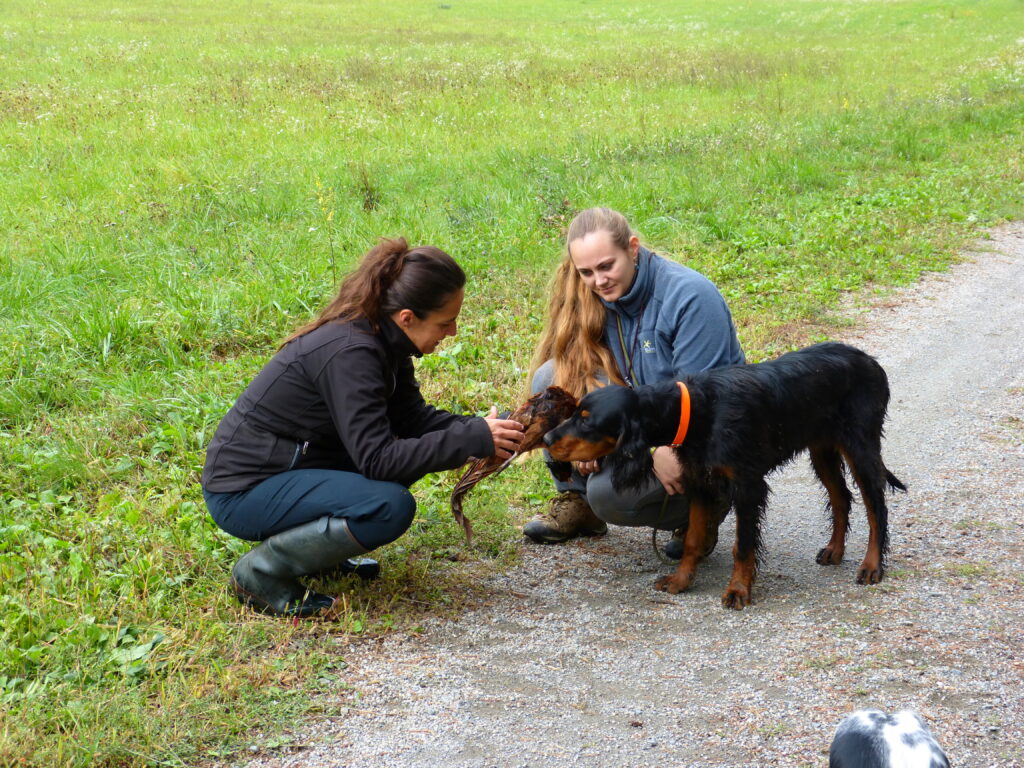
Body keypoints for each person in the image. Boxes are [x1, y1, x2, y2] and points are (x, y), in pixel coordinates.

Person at [202, 238, 525, 617]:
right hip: (244, 491)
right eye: (446, 322)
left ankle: (316, 552)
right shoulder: (351, 352)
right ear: (406, 317)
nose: (452, 332)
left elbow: (412, 420)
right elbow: (379, 461)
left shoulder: (384, 339)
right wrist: (472, 437)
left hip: (295, 469)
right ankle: (259, 573)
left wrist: (478, 429)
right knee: (389, 505)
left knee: (402, 464)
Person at [523, 207, 744, 556]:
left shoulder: (690, 296)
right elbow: (603, 389)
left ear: (633, 248)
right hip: (645, 423)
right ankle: (579, 501)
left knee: (611, 496)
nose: (599, 281)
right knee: (549, 379)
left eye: (607, 266)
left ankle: (706, 503)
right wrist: (586, 440)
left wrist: (664, 450)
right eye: (586, 272)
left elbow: (705, 404)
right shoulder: (594, 297)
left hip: (702, 433)